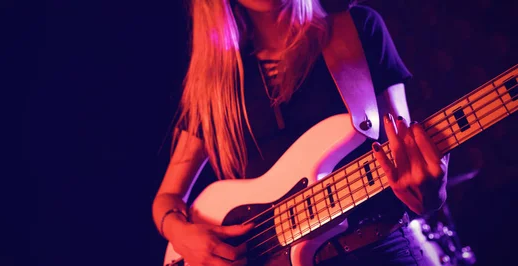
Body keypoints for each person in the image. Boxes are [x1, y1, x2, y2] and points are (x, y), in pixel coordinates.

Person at [152, 0, 450, 265]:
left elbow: (405, 156)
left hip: (379, 250)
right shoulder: (215, 80)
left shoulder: (356, 28)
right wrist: (181, 233)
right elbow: (167, 197)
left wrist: (426, 194)